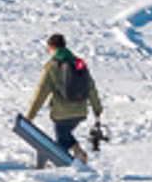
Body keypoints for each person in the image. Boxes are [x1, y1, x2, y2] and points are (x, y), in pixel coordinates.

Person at [25, 32, 103, 165]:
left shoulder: (52, 66)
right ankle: (77, 155)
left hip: (61, 113)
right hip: (80, 111)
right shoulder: (79, 63)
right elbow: (91, 87)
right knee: (65, 136)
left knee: (61, 144)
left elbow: (41, 93)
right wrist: (97, 109)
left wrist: (30, 115)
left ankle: (64, 169)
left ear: (52, 47)